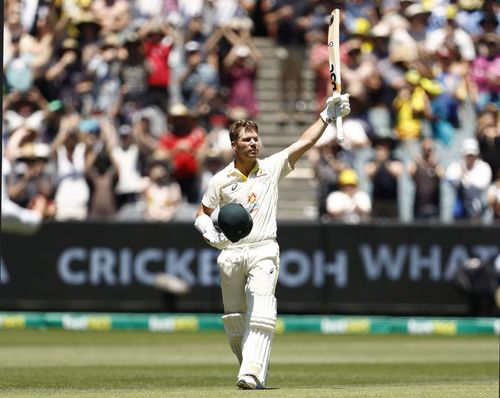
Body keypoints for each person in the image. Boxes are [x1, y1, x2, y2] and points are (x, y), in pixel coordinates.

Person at [194, 92, 350, 390]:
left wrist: (326, 116)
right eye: (247, 140)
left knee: (263, 307)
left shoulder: (271, 167)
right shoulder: (220, 180)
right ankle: (250, 369)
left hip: (264, 248)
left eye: (256, 138)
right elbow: (202, 213)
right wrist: (209, 232)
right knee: (235, 320)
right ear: (234, 145)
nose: (253, 143)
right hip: (231, 252)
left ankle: (252, 371)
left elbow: (304, 142)